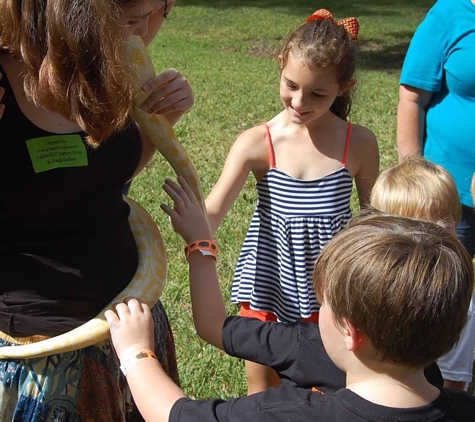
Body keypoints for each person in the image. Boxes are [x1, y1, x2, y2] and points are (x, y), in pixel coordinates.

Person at [105, 177, 475, 422]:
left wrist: (137, 353)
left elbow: (175, 415)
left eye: (324, 304)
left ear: (351, 331)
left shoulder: (283, 412)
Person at [0, 0, 193, 420]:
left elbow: (101, 178)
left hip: (128, 326)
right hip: (35, 350)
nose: (139, 32)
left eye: (156, 13)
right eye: (125, 18)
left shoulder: (109, 63)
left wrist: (165, 120)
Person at [205, 9, 379, 394]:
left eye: (318, 93)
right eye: (291, 85)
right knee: (261, 392)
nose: (300, 101)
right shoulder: (256, 142)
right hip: (267, 283)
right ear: (281, 64)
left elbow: (373, 224)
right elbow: (212, 213)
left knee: (325, 393)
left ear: (344, 87)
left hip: (330, 291)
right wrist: (189, 220)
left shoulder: (359, 143)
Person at [370, 157, 475, 390]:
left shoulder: (456, 297)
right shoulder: (366, 280)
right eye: (410, 229)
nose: (428, 242)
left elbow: (454, 380)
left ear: (457, 224)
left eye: (441, 226)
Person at [397, 0, 475, 253]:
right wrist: (413, 176)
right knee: (435, 282)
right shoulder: (450, 12)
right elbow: (412, 99)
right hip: (447, 198)